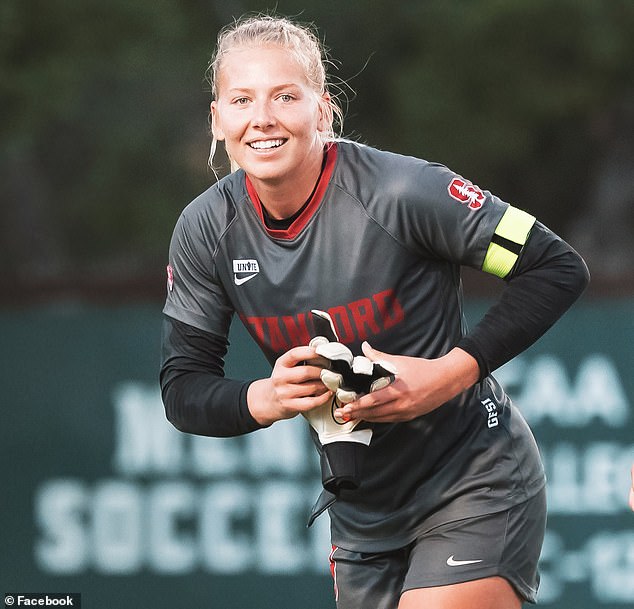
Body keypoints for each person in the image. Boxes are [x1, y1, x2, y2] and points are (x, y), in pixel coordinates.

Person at [160, 14, 590, 609]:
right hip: (362, 519)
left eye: (286, 96)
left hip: (475, 480)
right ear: (217, 120)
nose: (262, 118)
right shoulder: (206, 228)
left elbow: (557, 266)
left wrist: (447, 376)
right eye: (242, 100)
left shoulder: (402, 191)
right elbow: (183, 389)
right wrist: (271, 397)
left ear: (324, 110)